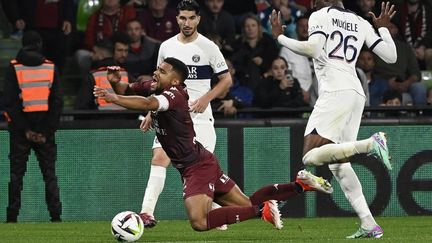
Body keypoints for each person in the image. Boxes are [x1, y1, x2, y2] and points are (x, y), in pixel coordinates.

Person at [94, 57, 334, 231]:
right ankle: (300, 185)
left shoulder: (174, 95)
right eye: (158, 68)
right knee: (247, 205)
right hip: (201, 161)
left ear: (175, 80)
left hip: (196, 167)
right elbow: (128, 88)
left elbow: (147, 104)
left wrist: (114, 98)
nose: (156, 73)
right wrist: (115, 84)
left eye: (163, 71)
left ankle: (263, 211)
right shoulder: (157, 86)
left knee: (199, 222)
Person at [270, 0, 396, 239]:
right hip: (356, 93)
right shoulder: (360, 21)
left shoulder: (320, 15)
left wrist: (279, 37)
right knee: (339, 164)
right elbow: (390, 56)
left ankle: (370, 144)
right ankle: (369, 224)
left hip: (335, 90)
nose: (313, 3)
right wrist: (383, 28)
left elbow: (314, 49)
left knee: (308, 156)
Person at [109, 0, 232, 228]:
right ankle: (146, 213)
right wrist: (150, 112)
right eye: (182, 18)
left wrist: (206, 98)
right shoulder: (166, 46)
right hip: (171, 115)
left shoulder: (208, 47)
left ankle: (217, 211)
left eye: (191, 18)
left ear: (198, 19)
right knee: (159, 157)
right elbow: (158, 82)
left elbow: (226, 80)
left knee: (199, 172)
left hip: (199, 117)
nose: (187, 23)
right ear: (176, 19)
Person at [3, 31, 63, 223]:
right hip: (44, 133)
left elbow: (9, 104)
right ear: (39, 44)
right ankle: (56, 217)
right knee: (50, 176)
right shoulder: (50, 67)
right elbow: (57, 103)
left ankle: (12, 218)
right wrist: (44, 131)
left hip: (21, 133)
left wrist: (26, 131)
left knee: (16, 176)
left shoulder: (14, 67)